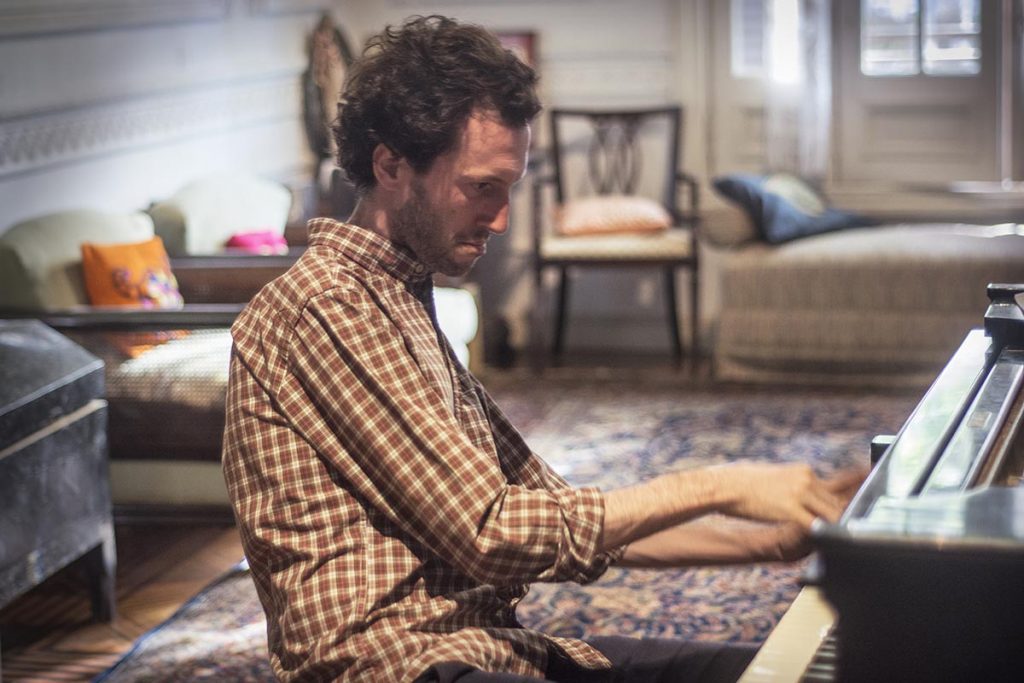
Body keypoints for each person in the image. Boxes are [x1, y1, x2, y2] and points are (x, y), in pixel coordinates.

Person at [222, 15, 864, 683]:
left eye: (510, 188)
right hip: (401, 668)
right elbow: (492, 532)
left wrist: (771, 541)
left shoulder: (397, 296)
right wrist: (719, 484)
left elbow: (564, 518)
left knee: (800, 672)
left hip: (487, 653)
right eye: (482, 187)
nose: (502, 219)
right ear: (391, 166)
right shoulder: (328, 306)